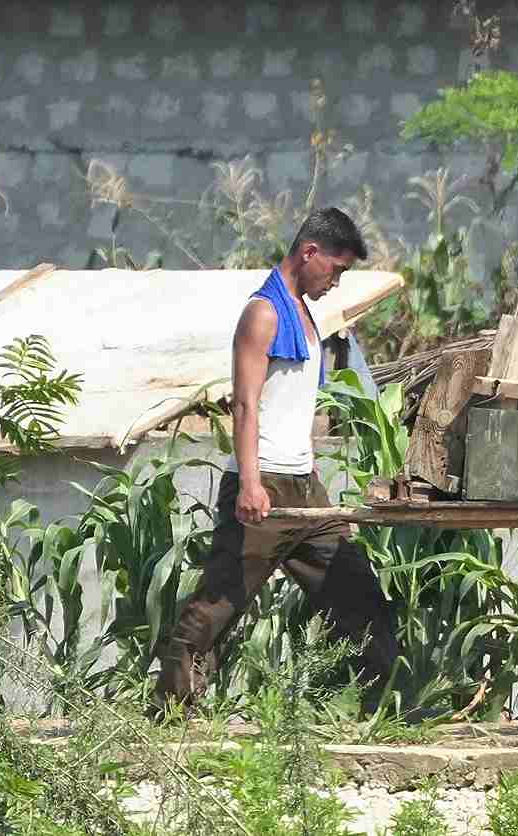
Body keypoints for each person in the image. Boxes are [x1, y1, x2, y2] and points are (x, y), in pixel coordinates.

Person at [155, 207, 399, 715]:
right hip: (260, 481)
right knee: (217, 606)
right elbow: (244, 404)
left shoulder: (305, 311)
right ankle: (171, 712)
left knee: (357, 593)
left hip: (303, 485)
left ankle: (379, 709)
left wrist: (307, 469)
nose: (337, 281)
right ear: (309, 252)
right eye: (336, 269)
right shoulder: (263, 313)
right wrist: (249, 483)